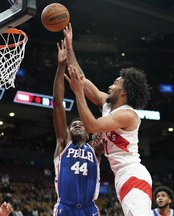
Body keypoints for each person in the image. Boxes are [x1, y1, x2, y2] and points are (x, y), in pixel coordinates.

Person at [63, 23, 153, 215]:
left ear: (125, 92)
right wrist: (70, 47)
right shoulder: (108, 105)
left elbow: (91, 126)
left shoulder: (128, 114)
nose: (110, 86)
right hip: (121, 176)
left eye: (115, 83)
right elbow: (80, 78)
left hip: (133, 174)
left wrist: (78, 94)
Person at [52, 39, 101, 215]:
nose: (78, 124)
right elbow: (58, 104)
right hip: (65, 208)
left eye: (82, 123)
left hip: (90, 209)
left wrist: (81, 91)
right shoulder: (64, 142)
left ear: (89, 132)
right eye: (74, 124)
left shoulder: (96, 148)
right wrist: (61, 67)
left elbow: (104, 112)